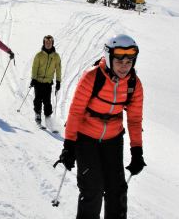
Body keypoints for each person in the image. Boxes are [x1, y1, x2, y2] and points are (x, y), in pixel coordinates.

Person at [57, 34, 146, 219]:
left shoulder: (133, 84)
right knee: (93, 190)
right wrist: (69, 145)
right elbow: (75, 112)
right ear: (108, 57)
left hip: (113, 139)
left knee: (117, 190)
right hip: (86, 138)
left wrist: (137, 150)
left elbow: (135, 119)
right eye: (119, 59)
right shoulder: (92, 77)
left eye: (130, 60)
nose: (124, 65)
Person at [30, 35, 61, 128]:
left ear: (52, 43)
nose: (48, 44)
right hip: (38, 82)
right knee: (38, 99)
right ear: (44, 43)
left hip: (48, 82)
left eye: (50, 42)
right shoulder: (39, 55)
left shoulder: (56, 56)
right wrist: (33, 79)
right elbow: (34, 67)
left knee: (47, 101)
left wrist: (58, 81)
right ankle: (38, 116)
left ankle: (48, 117)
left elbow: (58, 69)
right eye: (46, 42)